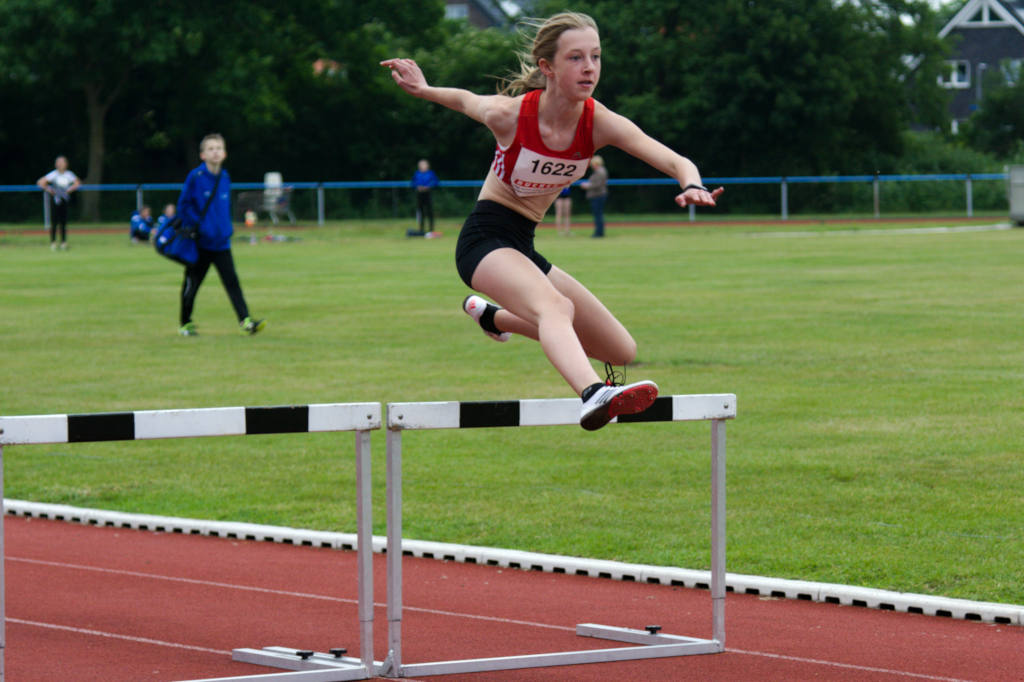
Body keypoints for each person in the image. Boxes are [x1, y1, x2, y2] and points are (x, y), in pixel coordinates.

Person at [381, 12, 722, 431]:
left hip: (523, 245)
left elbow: (671, 157)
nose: (590, 68)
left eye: (596, 57)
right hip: (484, 241)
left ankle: (492, 317)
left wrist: (693, 183)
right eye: (576, 58)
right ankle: (594, 393)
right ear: (548, 68)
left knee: (620, 349)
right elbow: (466, 99)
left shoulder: (598, 122)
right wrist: (425, 88)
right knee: (557, 307)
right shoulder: (511, 115)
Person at [176, 133, 265, 337]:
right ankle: (185, 322)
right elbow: (183, 206)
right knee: (192, 283)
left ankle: (246, 320)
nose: (215, 152)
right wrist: (197, 227)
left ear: (224, 154)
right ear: (202, 155)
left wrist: (227, 229)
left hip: (221, 243)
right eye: (210, 149)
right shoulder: (196, 178)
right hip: (200, 244)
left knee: (232, 282)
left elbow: (223, 208)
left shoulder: (225, 177)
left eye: (218, 148)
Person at [36, 155, 81, 250]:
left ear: (66, 164)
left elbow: (77, 183)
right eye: (58, 162)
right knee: (54, 222)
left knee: (63, 222)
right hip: (55, 200)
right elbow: (40, 182)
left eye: (62, 162)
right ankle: (53, 243)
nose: (60, 164)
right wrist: (49, 190)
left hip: (64, 199)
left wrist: (69, 190)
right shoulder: (53, 174)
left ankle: (63, 243)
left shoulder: (69, 174)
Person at [580, 155, 608, 237]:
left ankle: (599, 233)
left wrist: (587, 186)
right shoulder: (600, 171)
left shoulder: (600, 172)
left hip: (598, 195)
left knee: (598, 215)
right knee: (598, 214)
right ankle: (599, 232)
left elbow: (597, 185)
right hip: (598, 195)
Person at [411, 158, 440, 235]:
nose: (423, 166)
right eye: (421, 164)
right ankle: (421, 229)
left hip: (428, 194)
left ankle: (431, 229)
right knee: (421, 212)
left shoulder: (431, 173)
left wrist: (428, 186)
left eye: (424, 164)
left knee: (430, 211)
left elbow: (436, 182)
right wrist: (418, 186)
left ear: (427, 165)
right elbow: (413, 183)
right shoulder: (417, 173)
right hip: (419, 194)